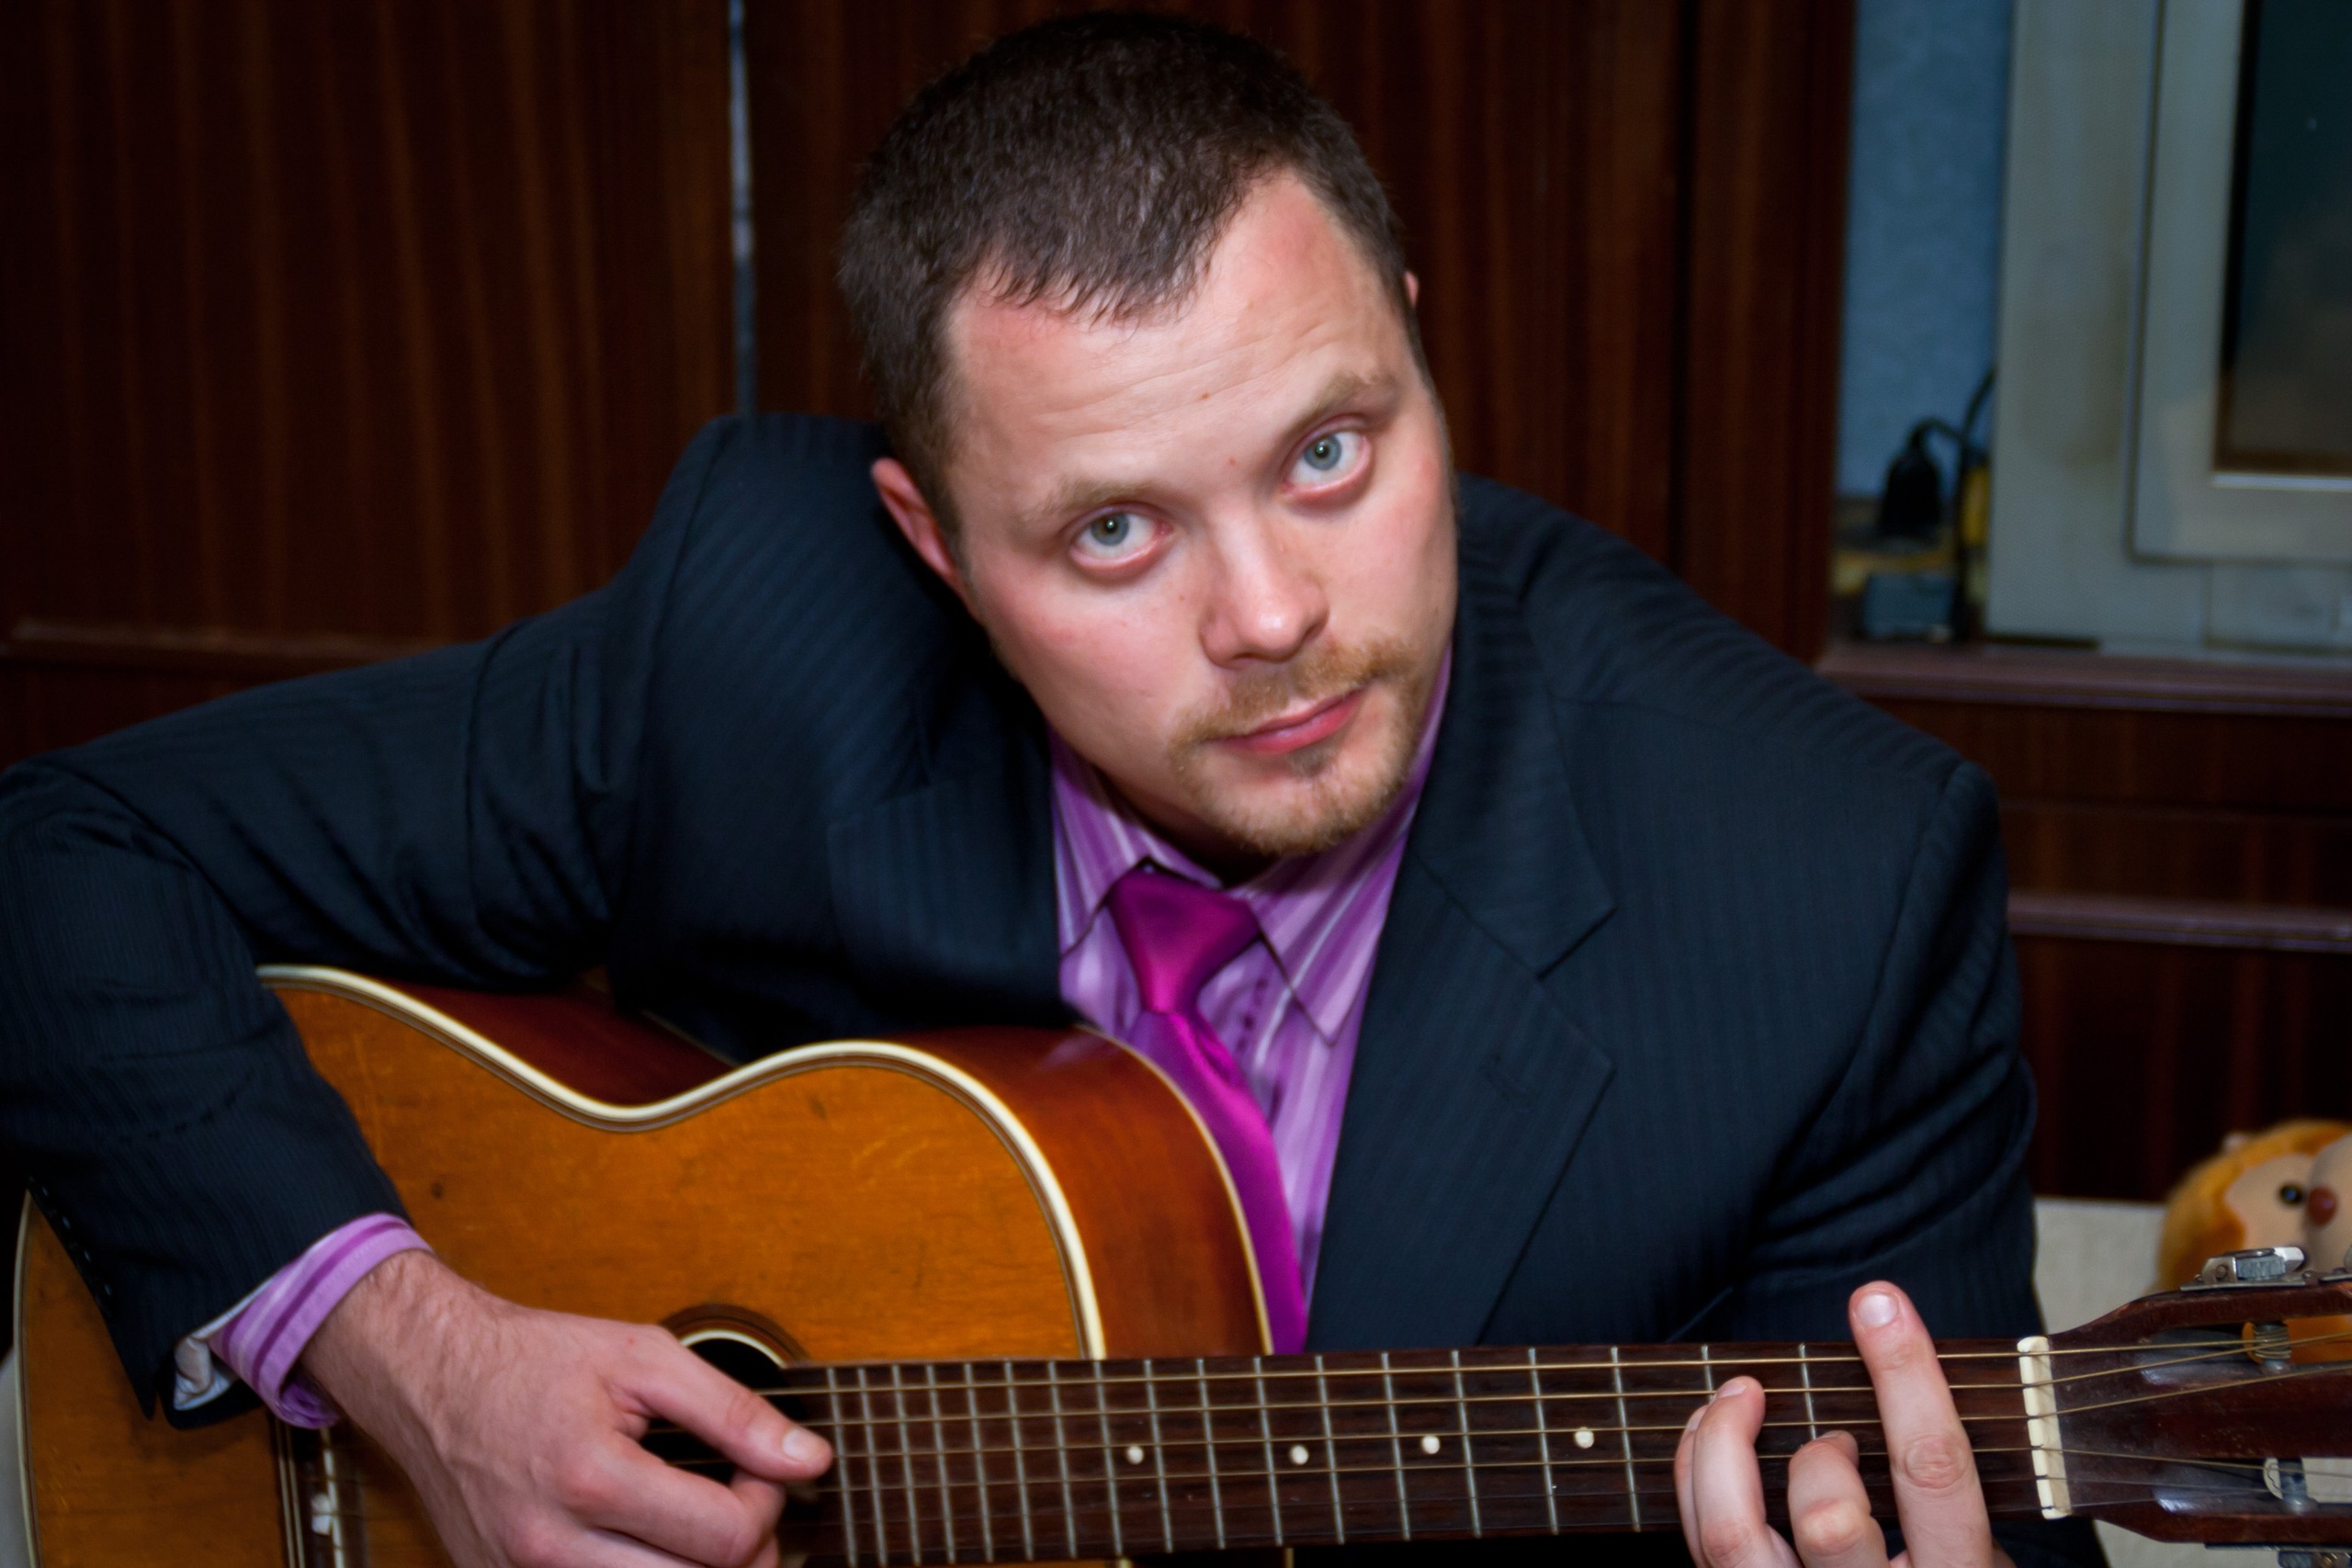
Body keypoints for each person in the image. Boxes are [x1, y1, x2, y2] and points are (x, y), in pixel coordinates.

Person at [0, 15, 2098, 1568]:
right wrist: (420, 1362)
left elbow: (1960, 1491)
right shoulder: (759, 641)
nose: (1270, 615)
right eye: (1113, 532)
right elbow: (64, 851)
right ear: (931, 544)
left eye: (1330, 451)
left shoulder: (1823, 882)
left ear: (1412, 346)